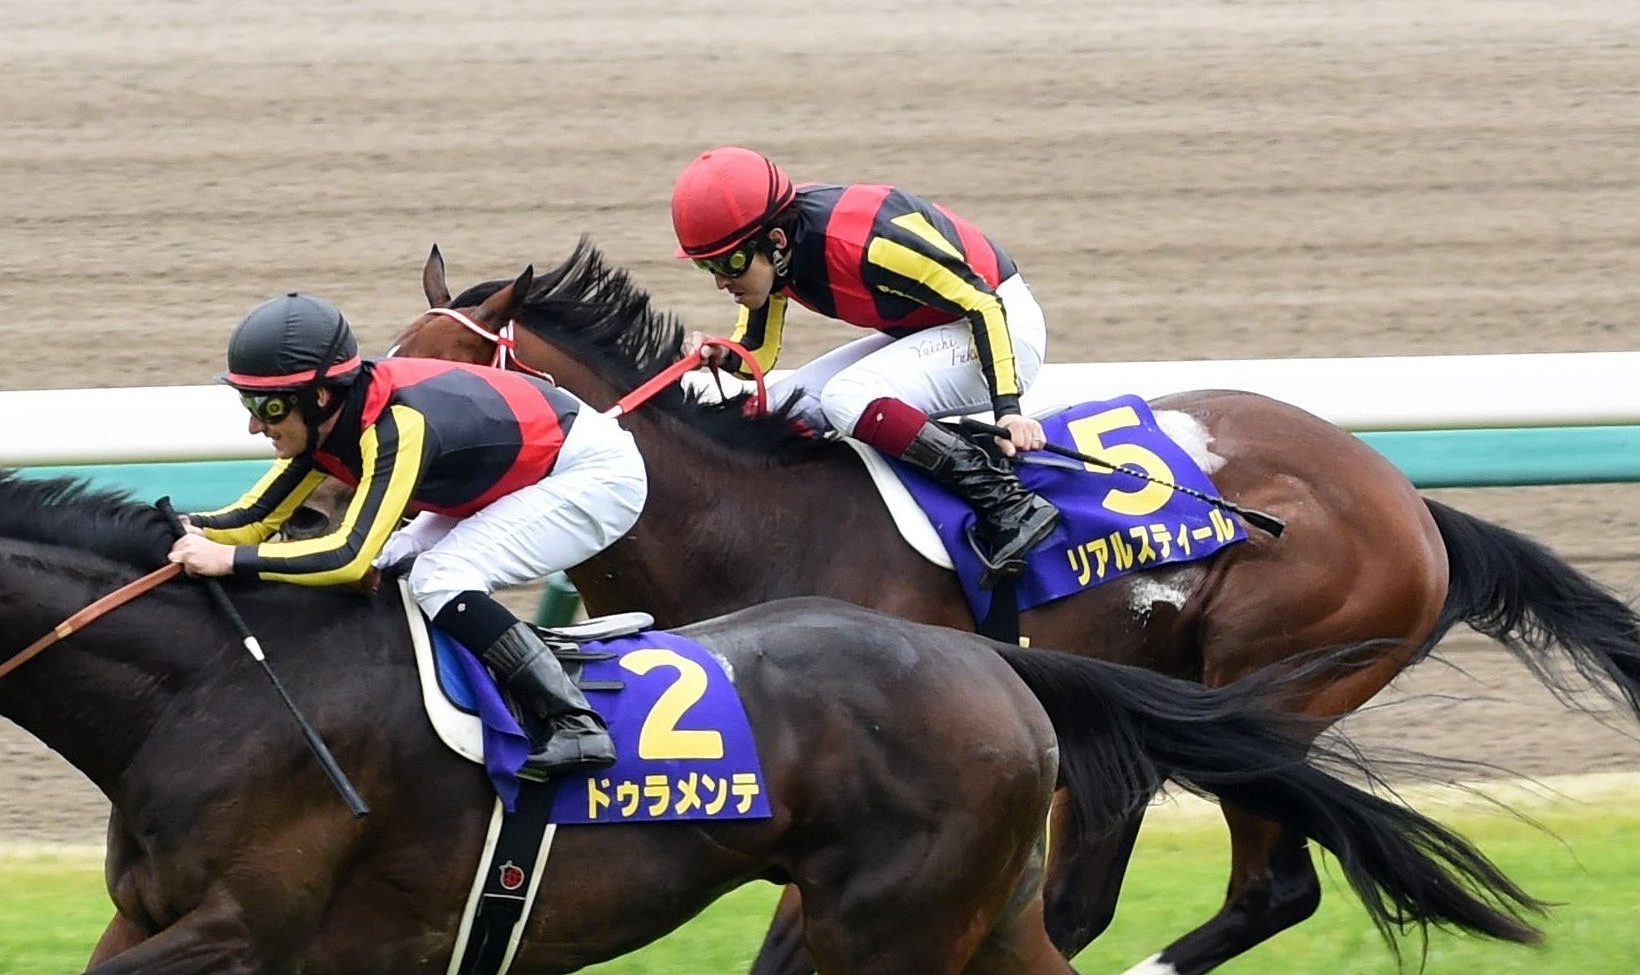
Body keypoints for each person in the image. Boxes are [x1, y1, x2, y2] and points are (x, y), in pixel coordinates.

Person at [167, 292, 646, 781]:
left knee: (441, 576)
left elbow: (347, 557)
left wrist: (231, 562)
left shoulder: (397, 424)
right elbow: (251, 518)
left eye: (265, 406)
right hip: (521, 471)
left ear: (320, 397)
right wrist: (169, 532)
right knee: (394, 566)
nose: (253, 426)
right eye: (248, 402)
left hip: (591, 474)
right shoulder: (326, 424)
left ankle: (574, 722)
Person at [668, 146, 1061, 571]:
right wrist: (722, 354)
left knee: (846, 397)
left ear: (776, 242)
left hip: (1002, 329)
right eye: (707, 267)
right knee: (779, 407)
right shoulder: (774, 250)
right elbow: (756, 355)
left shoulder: (868, 243)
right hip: (937, 328)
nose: (723, 281)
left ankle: (1009, 501)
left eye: (730, 263)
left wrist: (1009, 413)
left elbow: (984, 306)